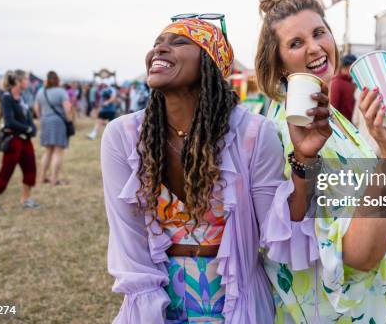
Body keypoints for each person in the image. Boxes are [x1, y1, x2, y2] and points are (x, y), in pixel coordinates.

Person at [102, 17, 321, 322]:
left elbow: (278, 234)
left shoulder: (253, 134)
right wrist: (149, 310)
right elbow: (128, 240)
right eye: (157, 44)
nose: (159, 50)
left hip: (237, 303)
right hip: (158, 300)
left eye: (178, 42)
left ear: (210, 63)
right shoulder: (123, 136)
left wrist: (305, 161)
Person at [255, 0, 386, 323]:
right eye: (295, 43)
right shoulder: (292, 131)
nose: (315, 48)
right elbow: (358, 254)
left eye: (319, 33)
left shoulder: (328, 115)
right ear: (278, 64)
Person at [0, 70, 40, 213]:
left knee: (30, 169)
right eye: (26, 79)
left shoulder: (22, 97)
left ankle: (26, 199)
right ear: (18, 81)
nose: (28, 82)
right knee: (6, 171)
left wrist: (32, 128)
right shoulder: (6, 97)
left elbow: (28, 115)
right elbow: (10, 121)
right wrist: (28, 129)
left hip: (25, 139)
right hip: (14, 140)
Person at [35, 71, 72, 186]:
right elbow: (67, 108)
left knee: (47, 151)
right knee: (58, 151)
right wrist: (69, 121)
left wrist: (42, 117)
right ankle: (54, 180)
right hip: (58, 122)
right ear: (57, 80)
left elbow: (36, 108)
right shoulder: (61, 92)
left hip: (45, 121)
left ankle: (42, 177)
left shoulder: (41, 91)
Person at [330, 54, 357, 122]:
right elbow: (333, 108)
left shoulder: (352, 82)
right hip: (343, 125)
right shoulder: (337, 83)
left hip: (351, 125)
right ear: (348, 67)